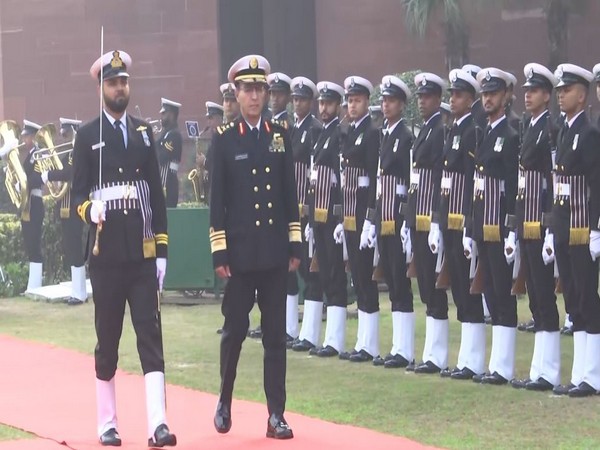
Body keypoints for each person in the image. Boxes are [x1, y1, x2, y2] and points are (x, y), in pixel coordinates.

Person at [71, 49, 176, 447]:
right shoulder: (87, 136)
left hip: (142, 253)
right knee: (108, 338)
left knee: (150, 335)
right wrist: (87, 208)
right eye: (113, 82)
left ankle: (158, 423)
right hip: (107, 254)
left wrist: (162, 250)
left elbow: (157, 196)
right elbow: (77, 194)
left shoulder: (145, 133)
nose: (120, 88)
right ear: (102, 88)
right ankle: (107, 423)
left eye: (124, 81)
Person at [209, 54, 301, 439]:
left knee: (276, 336)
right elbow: (218, 202)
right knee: (234, 331)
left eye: (260, 89)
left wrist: (295, 245)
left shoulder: (279, 135)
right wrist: (220, 252)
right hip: (242, 257)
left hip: (275, 253)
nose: (254, 96)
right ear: (236, 93)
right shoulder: (225, 140)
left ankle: (275, 414)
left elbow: (289, 194)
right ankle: (225, 400)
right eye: (247, 89)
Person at [429, 68, 486, 380]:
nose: (453, 99)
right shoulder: (454, 131)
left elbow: (473, 182)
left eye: (459, 95)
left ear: (471, 98)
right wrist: (439, 220)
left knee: (468, 288)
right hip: (448, 220)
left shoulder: (472, 132)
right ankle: (466, 358)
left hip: (462, 220)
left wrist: (468, 224)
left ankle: (474, 359)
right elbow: (444, 182)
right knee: (459, 292)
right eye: (451, 94)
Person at [548, 64, 600, 397]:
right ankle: (581, 372)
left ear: (582, 95)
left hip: (584, 227)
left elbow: (597, 182)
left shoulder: (590, 133)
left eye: (566, 90)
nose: (561, 95)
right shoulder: (565, 131)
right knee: (574, 302)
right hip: (566, 227)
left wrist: (596, 227)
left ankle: (594, 374)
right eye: (560, 90)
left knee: (586, 297)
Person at [508, 63, 560, 392]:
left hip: (541, 220)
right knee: (535, 298)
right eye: (526, 91)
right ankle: (539, 368)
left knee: (544, 294)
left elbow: (554, 182)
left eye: (534, 91)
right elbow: (521, 182)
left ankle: (550, 369)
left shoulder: (550, 129)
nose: (527, 96)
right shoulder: (529, 126)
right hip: (526, 219)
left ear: (546, 95)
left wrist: (551, 226)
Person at [467, 68, 519, 385]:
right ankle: (496, 363)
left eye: (493, 94)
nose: (488, 99)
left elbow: (513, 187)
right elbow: (477, 187)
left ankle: (504, 365)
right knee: (489, 290)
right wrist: (471, 229)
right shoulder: (484, 133)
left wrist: (512, 226)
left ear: (505, 97)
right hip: (483, 224)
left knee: (502, 291)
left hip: (499, 225)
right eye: (485, 94)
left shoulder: (510, 136)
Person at [294, 81, 349, 356]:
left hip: (333, 216)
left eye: (329, 103)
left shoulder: (338, 133)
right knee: (320, 271)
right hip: (318, 214)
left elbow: (341, 180)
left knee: (334, 275)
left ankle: (335, 339)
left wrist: (340, 217)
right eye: (322, 103)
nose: (324, 108)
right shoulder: (323, 134)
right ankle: (315, 335)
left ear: (338, 105)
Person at [369, 75, 415, 369]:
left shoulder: (405, 137)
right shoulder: (385, 135)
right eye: (383, 100)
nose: (385, 105)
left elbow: (410, 180)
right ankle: (398, 346)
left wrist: (407, 221)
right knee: (390, 281)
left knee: (400, 279)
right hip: (383, 214)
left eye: (391, 101)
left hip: (397, 216)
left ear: (401, 104)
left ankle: (405, 348)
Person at [405, 72, 449, 374]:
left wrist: (435, 219)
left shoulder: (439, 132)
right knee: (424, 285)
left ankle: (438, 355)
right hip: (417, 215)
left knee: (435, 288)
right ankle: (431, 353)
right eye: (419, 97)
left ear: (438, 99)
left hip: (429, 215)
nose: (422, 102)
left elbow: (438, 181)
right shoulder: (425, 130)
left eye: (427, 97)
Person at [339, 75, 380, 362]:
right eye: (350, 101)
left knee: (366, 277)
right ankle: (362, 341)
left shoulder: (371, 132)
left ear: (367, 102)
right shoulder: (350, 131)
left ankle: (370, 343)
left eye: (357, 100)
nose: (352, 105)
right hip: (350, 211)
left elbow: (374, 179)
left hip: (364, 208)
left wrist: (370, 218)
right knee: (356, 274)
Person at [285, 76, 323, 347]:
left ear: (310, 102)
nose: (297, 103)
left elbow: (315, 175)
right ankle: (288, 328)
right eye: (295, 99)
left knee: (311, 271)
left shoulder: (315, 129)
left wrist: (309, 211)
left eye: (302, 99)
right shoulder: (292, 128)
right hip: (291, 210)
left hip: (306, 210)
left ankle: (309, 333)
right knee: (288, 270)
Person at [41, 117, 87, 305]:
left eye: (66, 132)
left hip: (75, 205)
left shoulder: (77, 151)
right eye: (62, 133)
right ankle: (76, 290)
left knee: (76, 249)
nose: (63, 136)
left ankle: (80, 293)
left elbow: (70, 172)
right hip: (65, 205)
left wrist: (50, 175)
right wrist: (50, 173)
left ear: (74, 131)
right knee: (70, 249)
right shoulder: (67, 153)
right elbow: (60, 173)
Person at [19, 120, 44, 292]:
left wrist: (23, 183)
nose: (24, 139)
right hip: (27, 203)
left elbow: (38, 178)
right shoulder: (28, 156)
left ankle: (36, 285)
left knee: (34, 241)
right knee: (29, 241)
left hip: (34, 201)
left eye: (27, 136)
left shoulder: (39, 155)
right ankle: (32, 284)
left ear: (33, 137)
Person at [157, 98, 183, 208]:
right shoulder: (166, 134)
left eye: (164, 114)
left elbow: (161, 157)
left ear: (171, 115)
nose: (161, 117)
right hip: (162, 181)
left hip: (168, 183)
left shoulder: (174, 135)